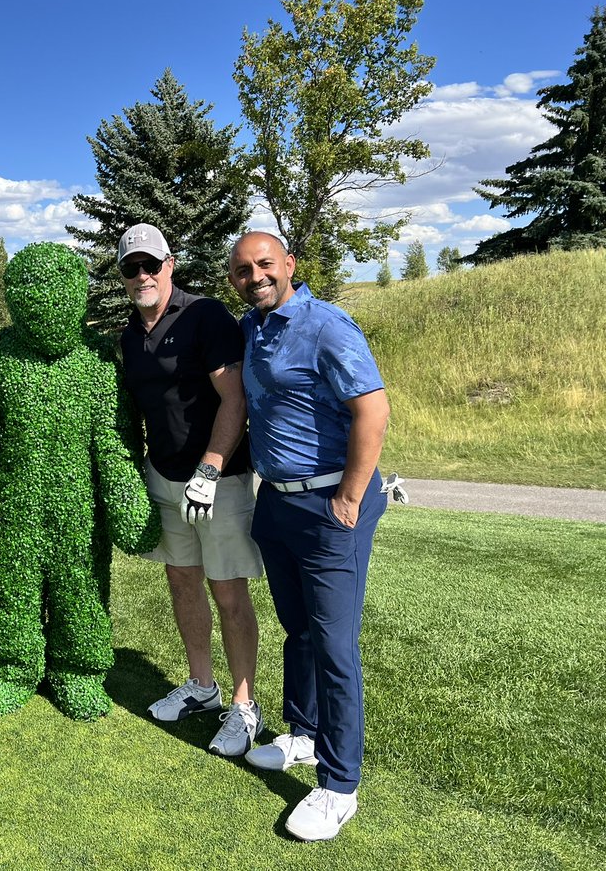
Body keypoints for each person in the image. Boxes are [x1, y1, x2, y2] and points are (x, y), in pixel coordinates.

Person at [228, 231, 390, 842]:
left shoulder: (326, 325)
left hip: (329, 503)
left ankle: (339, 784)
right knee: (297, 628)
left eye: (265, 264)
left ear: (289, 264)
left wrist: (349, 496)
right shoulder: (252, 326)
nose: (255, 277)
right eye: (243, 270)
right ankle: (303, 732)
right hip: (278, 502)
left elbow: (373, 409)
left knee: (334, 645)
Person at [117, 223, 266, 757]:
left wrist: (209, 468)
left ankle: (245, 706)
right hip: (163, 477)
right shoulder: (130, 335)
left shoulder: (205, 315)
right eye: (131, 268)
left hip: (217, 481)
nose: (142, 275)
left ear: (169, 265)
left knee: (228, 591)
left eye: (150, 265)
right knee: (182, 582)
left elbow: (235, 399)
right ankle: (202, 686)